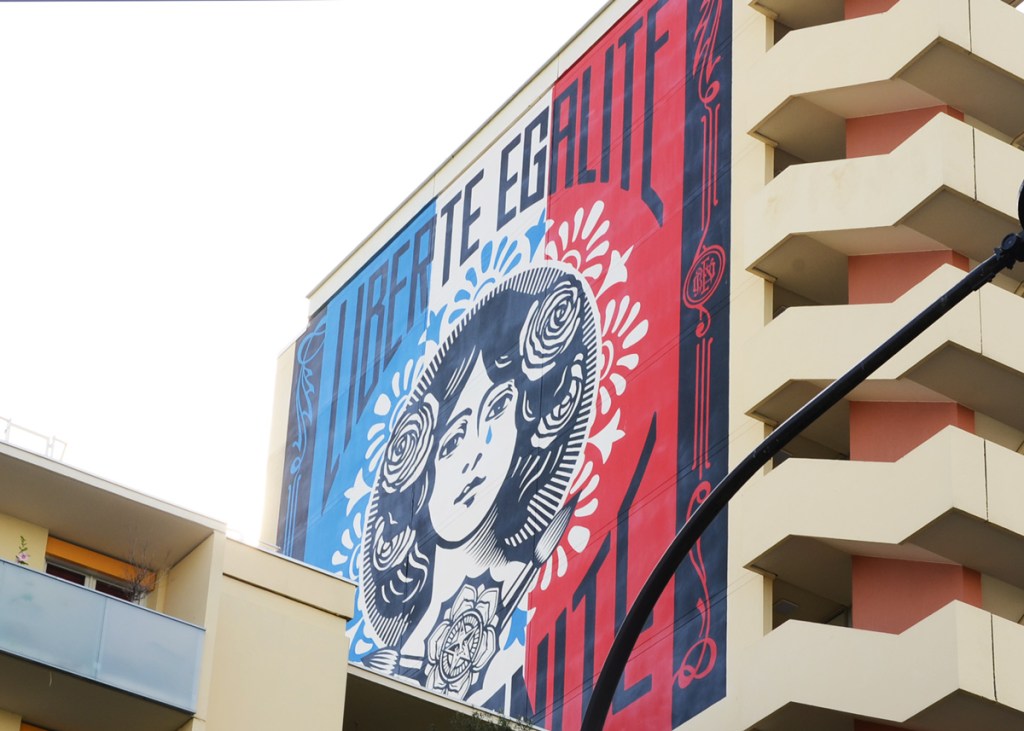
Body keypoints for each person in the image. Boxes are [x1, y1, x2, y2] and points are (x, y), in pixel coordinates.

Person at [360, 265, 599, 699]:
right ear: (418, 476)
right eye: (452, 440)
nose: (476, 451)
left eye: (496, 408)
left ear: (526, 417)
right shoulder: (391, 661)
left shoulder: (534, 575)